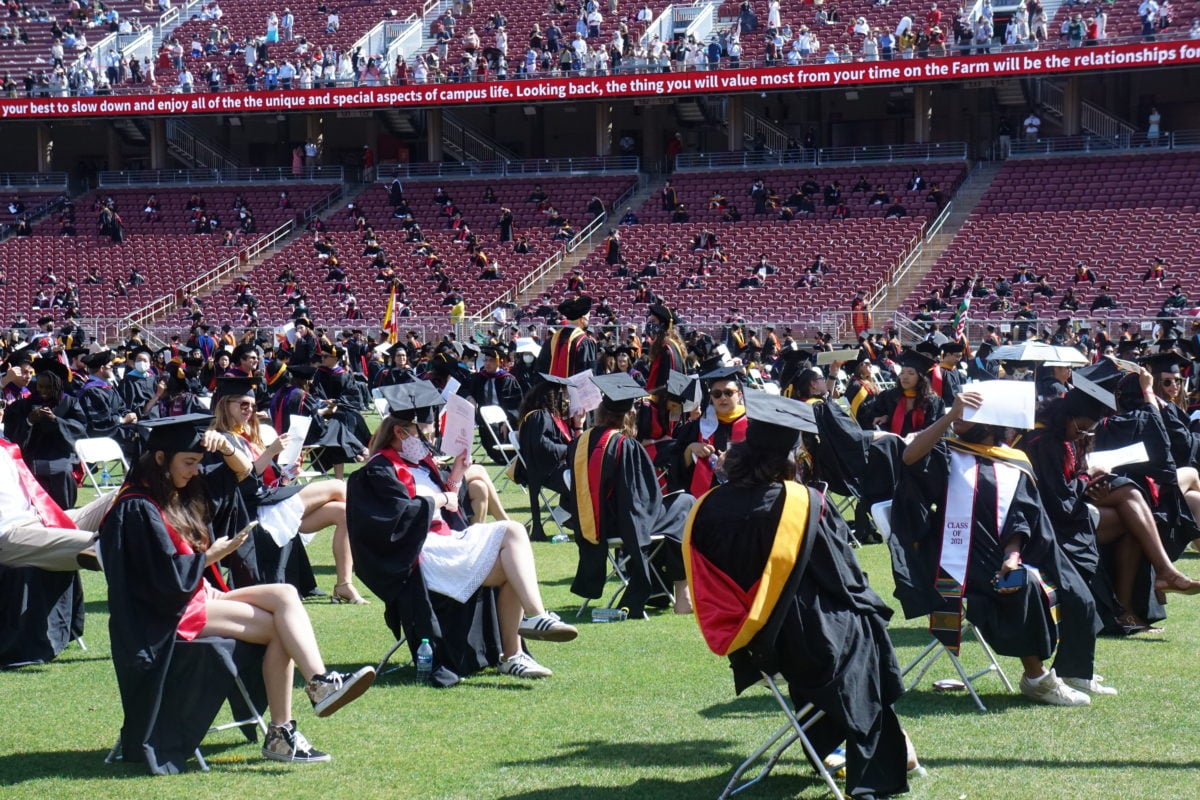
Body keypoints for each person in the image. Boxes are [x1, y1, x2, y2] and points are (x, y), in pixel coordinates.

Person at [99, 415, 376, 770]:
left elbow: (241, 483)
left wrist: (228, 446)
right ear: (159, 459)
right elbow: (155, 579)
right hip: (163, 615)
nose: (195, 471)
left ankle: (318, 685)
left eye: (199, 463)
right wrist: (211, 556)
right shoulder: (135, 507)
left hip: (192, 595)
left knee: (285, 595)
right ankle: (282, 732)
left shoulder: (170, 494)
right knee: (281, 629)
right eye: (188, 462)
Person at [684, 390, 911, 799]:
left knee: (850, 629)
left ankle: (829, 743)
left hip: (756, 645)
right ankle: (873, 764)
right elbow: (845, 579)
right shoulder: (804, 503)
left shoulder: (706, 506)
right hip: (811, 641)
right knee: (865, 628)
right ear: (792, 455)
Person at [890, 391, 1108, 707]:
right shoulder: (948, 454)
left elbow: (1021, 517)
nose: (962, 419)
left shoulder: (1011, 460)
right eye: (961, 414)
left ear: (991, 423)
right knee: (1024, 588)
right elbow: (909, 457)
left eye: (969, 414)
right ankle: (1036, 678)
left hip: (999, 556)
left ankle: (1072, 671)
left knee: (1072, 588)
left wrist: (1013, 555)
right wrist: (950, 416)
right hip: (953, 560)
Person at [348, 383, 577, 682]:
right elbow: (400, 517)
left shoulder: (421, 465)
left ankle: (516, 651)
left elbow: (450, 508)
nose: (428, 440)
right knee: (511, 533)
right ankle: (529, 628)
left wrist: (454, 477)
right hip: (419, 554)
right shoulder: (378, 471)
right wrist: (442, 498)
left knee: (513, 539)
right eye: (424, 434)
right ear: (400, 432)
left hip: (446, 544)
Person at [210, 376, 366, 604]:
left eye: (252, 406)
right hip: (252, 507)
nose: (249, 410)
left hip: (272, 500)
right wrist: (270, 451)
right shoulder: (222, 441)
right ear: (226, 404)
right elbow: (245, 482)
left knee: (342, 512)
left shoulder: (248, 436)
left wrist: (287, 474)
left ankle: (344, 585)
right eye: (243, 404)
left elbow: (269, 478)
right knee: (339, 486)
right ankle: (378, 537)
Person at [563, 374, 695, 617]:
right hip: (624, 527)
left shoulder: (579, 443)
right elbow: (643, 501)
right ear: (629, 415)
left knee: (677, 510)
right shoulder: (625, 445)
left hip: (590, 528)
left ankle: (660, 589)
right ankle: (681, 591)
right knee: (685, 503)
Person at [673, 365, 746, 497]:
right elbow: (677, 467)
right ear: (711, 397)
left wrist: (737, 458)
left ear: (739, 395)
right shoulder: (697, 426)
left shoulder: (752, 426)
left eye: (728, 393)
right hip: (704, 500)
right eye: (717, 394)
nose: (722, 398)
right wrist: (690, 449)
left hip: (743, 497)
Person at [871, 349, 945, 436]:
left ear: (921, 378)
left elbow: (937, 431)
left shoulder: (933, 402)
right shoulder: (889, 396)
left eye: (911, 373)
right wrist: (886, 417)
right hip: (892, 445)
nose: (904, 377)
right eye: (902, 373)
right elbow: (873, 416)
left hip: (920, 447)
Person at [534, 296, 597, 378]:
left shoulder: (552, 339)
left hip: (551, 389)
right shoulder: (584, 342)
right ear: (582, 318)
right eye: (588, 316)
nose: (589, 319)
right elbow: (589, 375)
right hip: (574, 390)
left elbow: (540, 370)